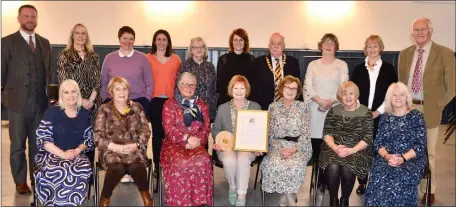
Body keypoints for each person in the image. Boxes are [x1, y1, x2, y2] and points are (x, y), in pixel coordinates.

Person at [397, 17, 455, 204]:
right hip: (408, 108)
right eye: (416, 30)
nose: (420, 33)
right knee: (407, 149)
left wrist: (439, 104)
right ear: (412, 33)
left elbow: (452, 85)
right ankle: (408, 187)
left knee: (428, 152)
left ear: (430, 31)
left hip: (430, 108)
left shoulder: (445, 53)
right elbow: (400, 83)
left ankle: (429, 189)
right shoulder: (404, 54)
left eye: (423, 29)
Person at [1, 4, 52, 194]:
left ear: (37, 19)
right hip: (16, 105)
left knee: (38, 145)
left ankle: (36, 179)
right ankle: (20, 181)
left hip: (40, 105)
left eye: (33, 16)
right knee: (17, 146)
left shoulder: (44, 43)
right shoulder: (6, 43)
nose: (30, 19)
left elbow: (48, 74)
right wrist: (5, 98)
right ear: (19, 19)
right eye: (26, 16)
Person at [365, 82, 427, 207]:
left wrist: (402, 158)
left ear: (407, 97)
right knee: (379, 177)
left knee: (398, 178)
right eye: (394, 95)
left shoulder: (417, 116)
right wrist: (388, 156)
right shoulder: (385, 117)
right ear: (389, 99)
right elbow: (378, 143)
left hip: (411, 158)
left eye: (402, 94)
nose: (398, 98)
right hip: (387, 158)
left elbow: (420, 145)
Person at [94, 77, 153, 207]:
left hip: (134, 149)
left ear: (129, 91)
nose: (122, 92)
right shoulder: (104, 109)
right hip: (111, 150)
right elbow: (97, 135)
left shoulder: (137, 107)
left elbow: (145, 131)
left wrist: (136, 145)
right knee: (117, 168)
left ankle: (145, 194)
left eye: (124, 89)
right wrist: (114, 147)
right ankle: (105, 197)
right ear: (111, 92)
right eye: (118, 89)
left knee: (137, 166)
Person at [34, 79, 94, 206]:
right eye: (66, 92)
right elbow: (43, 138)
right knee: (59, 170)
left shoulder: (84, 113)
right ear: (61, 95)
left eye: (74, 92)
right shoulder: (52, 112)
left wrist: (77, 151)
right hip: (52, 154)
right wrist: (62, 154)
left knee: (80, 169)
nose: (70, 95)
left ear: (78, 94)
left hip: (76, 154)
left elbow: (88, 139)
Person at [350, 34, 397, 194]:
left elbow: (391, 94)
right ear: (365, 50)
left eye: (375, 46)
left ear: (380, 49)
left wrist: (378, 112)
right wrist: (361, 111)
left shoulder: (389, 69)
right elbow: (352, 92)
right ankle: (362, 182)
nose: (372, 49)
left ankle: (377, 182)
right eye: (369, 46)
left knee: (380, 149)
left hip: (382, 116)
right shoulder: (358, 69)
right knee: (362, 149)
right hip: (361, 116)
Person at [303, 33, 349, 192]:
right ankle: (318, 178)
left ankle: (328, 178)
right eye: (326, 42)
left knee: (330, 145)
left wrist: (330, 101)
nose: (329, 45)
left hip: (334, 109)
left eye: (332, 43)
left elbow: (344, 87)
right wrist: (319, 100)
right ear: (321, 45)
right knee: (316, 145)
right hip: (314, 110)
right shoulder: (312, 65)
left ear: (336, 47)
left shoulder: (341, 65)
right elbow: (307, 86)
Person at [160, 72, 212, 206]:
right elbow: (168, 128)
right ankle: (179, 202)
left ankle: (198, 201)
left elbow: (206, 126)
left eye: (192, 84)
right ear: (178, 85)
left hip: (196, 143)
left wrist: (198, 140)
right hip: (173, 144)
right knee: (181, 162)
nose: (189, 87)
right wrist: (186, 139)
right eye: (185, 84)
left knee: (204, 159)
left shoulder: (202, 104)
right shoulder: (170, 104)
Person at [319, 81, 373, 207]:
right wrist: (335, 147)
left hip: (358, 149)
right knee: (332, 166)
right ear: (340, 96)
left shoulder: (366, 112)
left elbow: (368, 137)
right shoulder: (333, 110)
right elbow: (327, 132)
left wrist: (352, 150)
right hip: (333, 148)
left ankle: (344, 201)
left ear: (356, 95)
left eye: (351, 94)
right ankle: (333, 200)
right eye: (344, 94)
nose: (348, 97)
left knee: (348, 167)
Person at [261, 75, 313, 206]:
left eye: (294, 89)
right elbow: (270, 132)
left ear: (298, 92)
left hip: (299, 145)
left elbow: (306, 133)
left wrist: (294, 149)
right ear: (281, 89)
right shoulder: (273, 107)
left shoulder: (303, 107)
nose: (290, 91)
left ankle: (287, 197)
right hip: (277, 145)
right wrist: (277, 148)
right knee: (274, 163)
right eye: (287, 87)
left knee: (293, 165)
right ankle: (289, 197)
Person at [211, 75, 262, 206]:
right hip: (227, 146)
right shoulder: (222, 108)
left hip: (247, 146)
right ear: (230, 90)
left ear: (247, 90)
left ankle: (241, 195)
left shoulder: (255, 107)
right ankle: (233, 187)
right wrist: (218, 141)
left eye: (242, 88)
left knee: (242, 159)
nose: (239, 91)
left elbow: (261, 130)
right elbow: (216, 129)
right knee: (229, 160)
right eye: (236, 88)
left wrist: (259, 146)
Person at [146, 29, 181, 177]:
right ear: (154, 41)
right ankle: (157, 166)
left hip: (171, 102)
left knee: (171, 134)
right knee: (157, 134)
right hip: (154, 101)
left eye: (164, 39)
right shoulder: (147, 58)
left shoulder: (176, 59)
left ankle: (171, 165)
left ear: (168, 42)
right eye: (158, 39)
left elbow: (180, 81)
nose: (161, 42)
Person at [57, 23, 102, 125]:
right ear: (72, 36)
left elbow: (98, 81)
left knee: (92, 137)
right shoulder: (64, 56)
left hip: (93, 104)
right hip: (72, 102)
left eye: (83, 33)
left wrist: (90, 101)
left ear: (87, 37)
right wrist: (81, 101)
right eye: (77, 33)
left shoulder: (93, 56)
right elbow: (64, 82)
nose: (80, 36)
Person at [249, 32, 301, 110]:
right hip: (264, 108)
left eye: (279, 44)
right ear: (269, 46)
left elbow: (298, 87)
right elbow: (253, 89)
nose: (275, 46)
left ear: (284, 46)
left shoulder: (293, 62)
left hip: (288, 108)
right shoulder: (258, 63)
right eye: (273, 43)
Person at [177, 37, 217, 122]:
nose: (198, 49)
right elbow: (178, 88)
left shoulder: (210, 66)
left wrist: (212, 105)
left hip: (209, 109)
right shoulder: (184, 66)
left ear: (205, 49)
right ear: (191, 50)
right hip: (190, 109)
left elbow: (214, 88)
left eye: (201, 47)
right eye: (195, 47)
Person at [216, 28, 255, 106]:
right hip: (226, 102)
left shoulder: (252, 60)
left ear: (245, 42)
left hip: (246, 101)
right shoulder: (223, 60)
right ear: (231, 42)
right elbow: (220, 85)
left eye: (241, 40)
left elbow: (253, 84)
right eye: (235, 40)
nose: (238, 42)